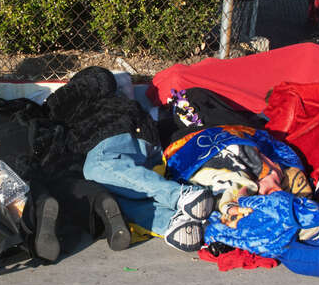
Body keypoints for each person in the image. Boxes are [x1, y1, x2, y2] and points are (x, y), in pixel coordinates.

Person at [0, 74, 131, 262]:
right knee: (65, 180)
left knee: (20, 185)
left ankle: (41, 206)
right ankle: (99, 199)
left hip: (5, 143)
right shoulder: (13, 104)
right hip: (46, 133)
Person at [44, 67, 215, 252]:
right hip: (130, 155)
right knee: (107, 197)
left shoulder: (91, 91)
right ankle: (172, 222)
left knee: (97, 168)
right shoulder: (70, 123)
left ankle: (181, 195)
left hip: (117, 131)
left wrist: (48, 106)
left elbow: (102, 78)